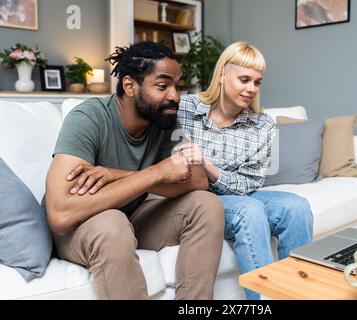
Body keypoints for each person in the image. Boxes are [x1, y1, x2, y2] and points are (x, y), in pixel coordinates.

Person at [43, 41, 225, 300]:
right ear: (130, 86)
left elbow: (198, 181)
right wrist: (157, 173)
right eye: (162, 86)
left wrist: (117, 174)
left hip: (133, 217)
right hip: (78, 228)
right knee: (112, 223)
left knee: (207, 204)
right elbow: (60, 213)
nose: (174, 95)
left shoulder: (163, 120)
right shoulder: (89, 118)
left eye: (177, 85)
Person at [177, 42, 314, 300]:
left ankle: (297, 295)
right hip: (199, 198)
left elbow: (249, 183)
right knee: (248, 211)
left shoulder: (262, 124)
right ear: (221, 75)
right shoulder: (186, 109)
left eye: (257, 82)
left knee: (296, 207)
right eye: (244, 79)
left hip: (240, 192)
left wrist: (208, 165)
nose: (251, 88)